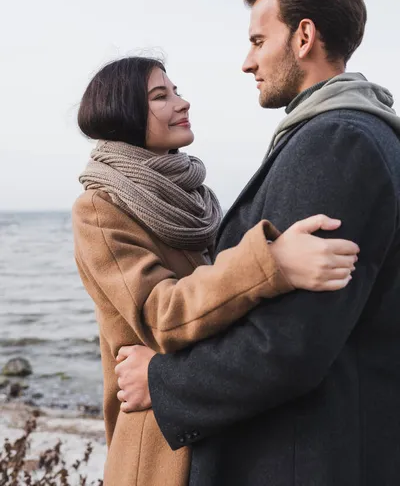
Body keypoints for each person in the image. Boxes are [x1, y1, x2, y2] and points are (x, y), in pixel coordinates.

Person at [116, 0, 400, 486]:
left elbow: (290, 344)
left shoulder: (335, 144)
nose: (248, 63)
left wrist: (163, 381)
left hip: (302, 461)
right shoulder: (353, 136)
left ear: (304, 36)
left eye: (257, 41)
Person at [72, 55, 358, 486]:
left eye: (176, 91)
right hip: (161, 446)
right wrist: (271, 261)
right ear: (123, 113)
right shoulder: (99, 209)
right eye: (160, 96)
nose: (182, 103)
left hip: (213, 423)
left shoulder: (194, 197)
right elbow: (161, 313)